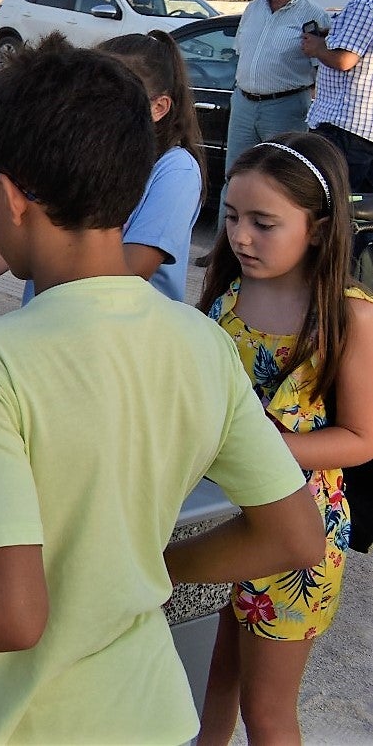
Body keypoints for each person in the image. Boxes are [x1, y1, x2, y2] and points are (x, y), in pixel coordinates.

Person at [0, 35, 324, 743]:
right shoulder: (199, 340)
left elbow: (8, 614)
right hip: (153, 717)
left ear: (13, 197)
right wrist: (141, 570)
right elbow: (295, 534)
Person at [195, 132, 373, 744]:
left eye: (263, 223)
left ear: (319, 229)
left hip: (297, 533)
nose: (240, 236)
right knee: (212, 677)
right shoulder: (229, 296)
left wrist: (252, 446)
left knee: (266, 711)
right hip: (215, 517)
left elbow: (359, 439)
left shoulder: (349, 317)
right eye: (232, 217)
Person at [0, 30, 203, 334]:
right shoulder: (86, 151)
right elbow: (24, 224)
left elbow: (130, 274)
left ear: (159, 107)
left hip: (115, 336)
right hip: (56, 327)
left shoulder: (176, 169)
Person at [225, 0, 330, 199]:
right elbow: (241, 52)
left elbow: (321, 68)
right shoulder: (253, 9)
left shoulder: (314, 14)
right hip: (243, 104)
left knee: (280, 180)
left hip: (285, 107)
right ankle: (226, 237)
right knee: (235, 177)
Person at [303, 0, 373, 191]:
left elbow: (345, 60)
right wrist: (330, 35)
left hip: (345, 127)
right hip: (360, 130)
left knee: (331, 205)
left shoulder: (366, 1)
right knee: (359, 210)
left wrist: (316, 48)